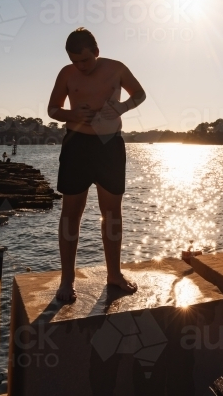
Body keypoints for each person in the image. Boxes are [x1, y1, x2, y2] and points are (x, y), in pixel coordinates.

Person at [48, 27, 146, 302]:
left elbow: (139, 94)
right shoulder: (66, 74)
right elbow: (52, 109)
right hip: (76, 144)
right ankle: (67, 280)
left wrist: (121, 108)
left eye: (85, 61)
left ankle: (113, 274)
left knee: (112, 212)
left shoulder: (117, 68)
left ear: (97, 52)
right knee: (71, 213)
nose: (81, 66)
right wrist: (72, 112)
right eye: (75, 61)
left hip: (109, 145)